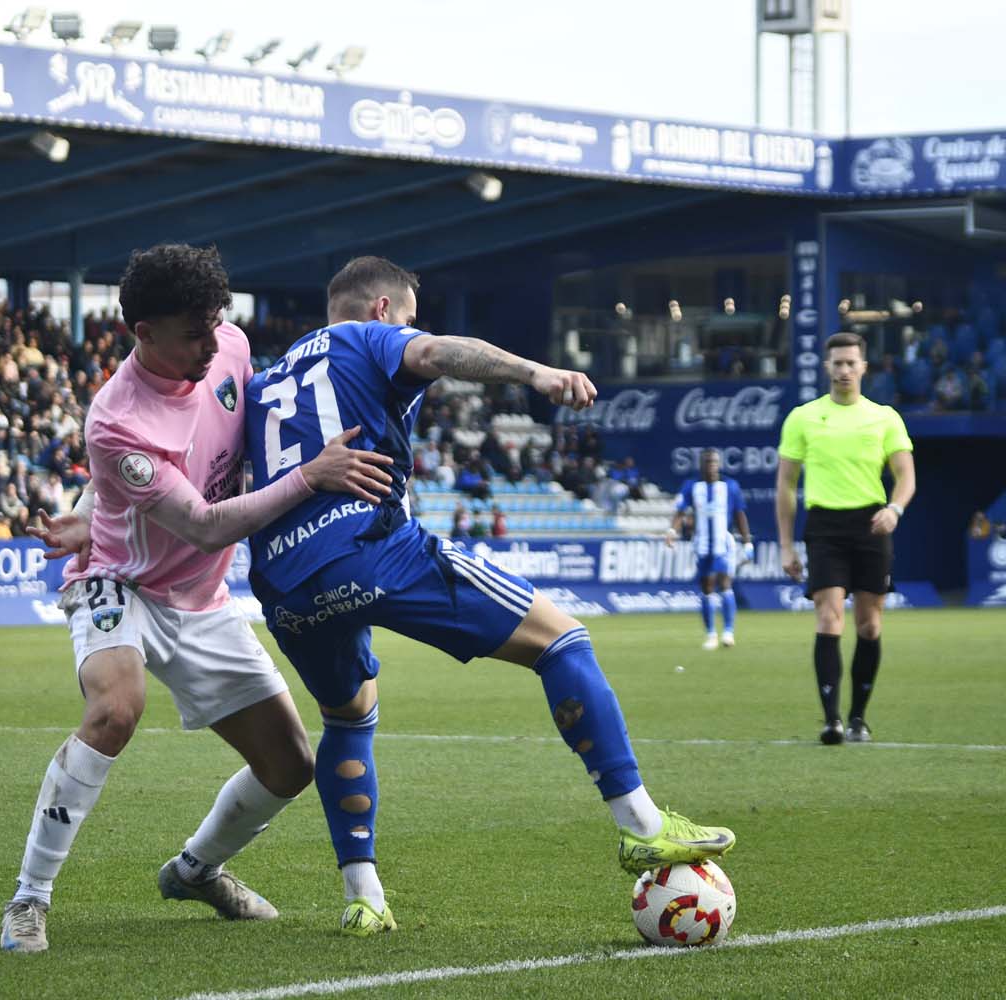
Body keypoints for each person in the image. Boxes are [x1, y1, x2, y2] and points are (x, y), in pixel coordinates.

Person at [243, 256, 734, 936]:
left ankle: (364, 897)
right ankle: (642, 824)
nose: (412, 328)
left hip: (285, 585)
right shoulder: (368, 337)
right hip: (369, 548)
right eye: (408, 317)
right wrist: (537, 374)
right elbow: (440, 353)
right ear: (383, 308)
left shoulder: (267, 378)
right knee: (561, 639)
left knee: (349, 719)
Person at [0, 245, 393, 954]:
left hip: (201, 598)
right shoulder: (116, 418)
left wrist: (94, 502)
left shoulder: (230, 347)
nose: (213, 345)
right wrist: (314, 476)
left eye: (217, 323)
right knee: (116, 709)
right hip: (118, 582)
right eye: (193, 333)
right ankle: (29, 900)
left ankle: (195, 870)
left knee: (290, 766)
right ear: (142, 333)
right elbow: (206, 522)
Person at [776, 331, 916, 746]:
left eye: (850, 363)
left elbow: (906, 474)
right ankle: (832, 720)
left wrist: (895, 509)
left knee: (870, 625)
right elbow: (785, 485)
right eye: (836, 363)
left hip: (871, 525)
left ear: (863, 367)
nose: (843, 370)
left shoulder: (884, 416)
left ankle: (859, 717)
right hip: (824, 527)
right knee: (828, 617)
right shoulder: (803, 417)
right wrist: (786, 544)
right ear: (827, 368)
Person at [667, 448, 751, 650]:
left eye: (714, 462)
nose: (711, 466)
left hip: (724, 543)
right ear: (701, 465)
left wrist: (747, 541)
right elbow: (680, 511)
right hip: (702, 544)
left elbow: (739, 514)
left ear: (719, 464)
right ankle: (711, 634)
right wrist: (672, 531)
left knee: (724, 582)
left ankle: (728, 632)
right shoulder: (691, 486)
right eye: (707, 462)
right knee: (706, 587)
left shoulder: (730, 486)